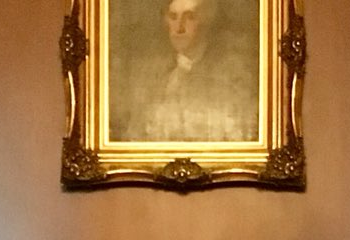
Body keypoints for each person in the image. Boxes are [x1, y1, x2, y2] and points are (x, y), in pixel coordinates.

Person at [110, 0, 260, 142]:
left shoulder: (230, 80)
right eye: (173, 17)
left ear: (207, 22)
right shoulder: (154, 80)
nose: (179, 28)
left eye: (190, 17)